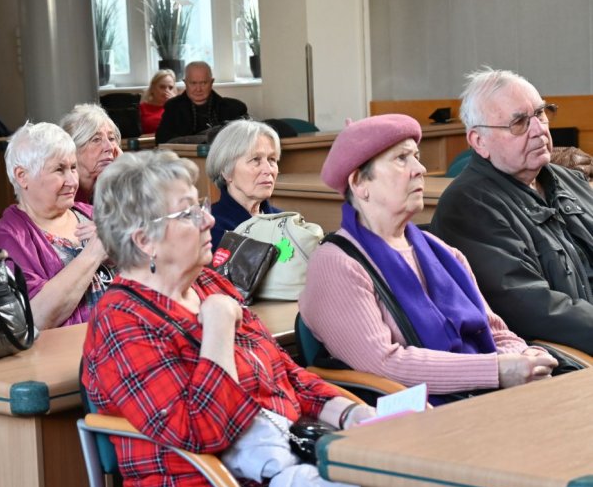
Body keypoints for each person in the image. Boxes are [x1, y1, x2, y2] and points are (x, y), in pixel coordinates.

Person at [83, 149, 371, 487]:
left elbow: (284, 373)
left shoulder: (209, 284)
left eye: (200, 205)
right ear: (144, 240)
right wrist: (217, 329)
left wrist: (348, 413)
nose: (209, 220)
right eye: (187, 214)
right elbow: (203, 433)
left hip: (283, 466)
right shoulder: (121, 321)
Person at [299, 114, 556, 401]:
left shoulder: (443, 251)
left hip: (488, 397)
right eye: (401, 159)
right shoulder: (338, 263)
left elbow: (496, 333)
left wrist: (527, 357)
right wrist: (495, 370)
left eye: (417, 156)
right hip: (419, 420)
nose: (420, 168)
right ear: (360, 183)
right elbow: (383, 364)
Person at [431, 68, 593, 355]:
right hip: (559, 360)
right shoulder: (468, 206)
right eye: (519, 122)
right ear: (479, 142)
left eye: (541, 113)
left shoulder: (568, 179)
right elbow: (534, 309)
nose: (539, 129)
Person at [0, 122, 112, 329]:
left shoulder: (91, 213)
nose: (72, 181)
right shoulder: (8, 238)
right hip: (72, 352)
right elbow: (35, 318)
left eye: (73, 168)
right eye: (59, 170)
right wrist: (95, 251)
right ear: (22, 176)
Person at [206, 120, 283, 250]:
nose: (268, 169)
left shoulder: (285, 221)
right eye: (255, 160)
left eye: (272, 159)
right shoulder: (210, 228)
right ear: (226, 171)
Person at [155, 61, 249, 144]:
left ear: (211, 82)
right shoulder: (172, 108)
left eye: (203, 83)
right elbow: (161, 140)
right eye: (193, 83)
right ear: (185, 83)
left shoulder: (234, 109)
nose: (198, 89)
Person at [59, 103, 122, 204]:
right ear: (72, 148)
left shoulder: (110, 186)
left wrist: (123, 173)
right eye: (96, 140)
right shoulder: (63, 196)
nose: (109, 147)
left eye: (111, 138)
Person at [139, 69, 177, 135]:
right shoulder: (141, 108)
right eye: (162, 87)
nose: (167, 91)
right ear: (153, 88)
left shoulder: (177, 107)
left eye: (170, 88)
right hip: (147, 143)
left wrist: (175, 104)